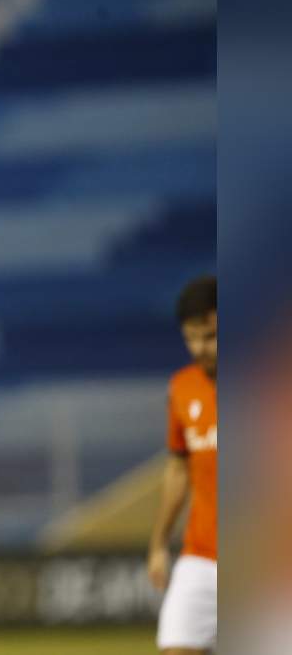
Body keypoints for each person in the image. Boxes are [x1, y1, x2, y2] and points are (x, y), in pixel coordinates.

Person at [148, 275, 217, 654]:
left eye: (210, 336)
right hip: (201, 559)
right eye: (191, 338)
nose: (200, 348)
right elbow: (178, 470)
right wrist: (159, 543)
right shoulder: (182, 388)